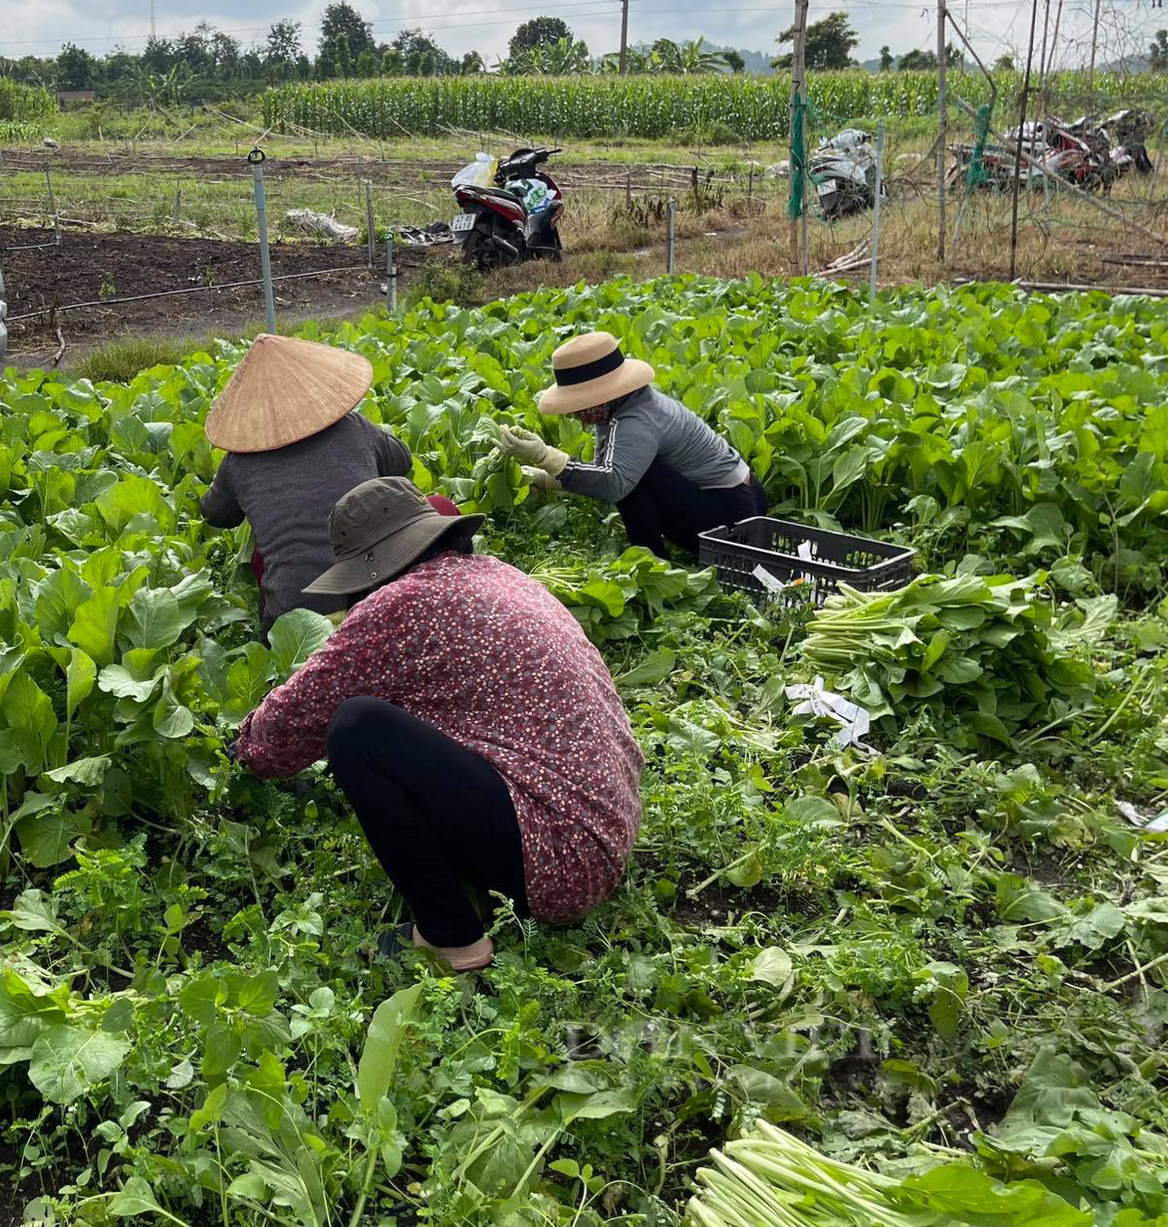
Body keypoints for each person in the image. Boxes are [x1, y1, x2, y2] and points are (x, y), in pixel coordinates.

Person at [233, 477, 642, 972]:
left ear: (371, 568)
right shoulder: (497, 574)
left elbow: (277, 739)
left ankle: (453, 939)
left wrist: (238, 743)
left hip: (558, 857)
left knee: (358, 727)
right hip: (603, 830)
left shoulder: (400, 605)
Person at [201, 334, 413, 635]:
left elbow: (215, 514)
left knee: (263, 554)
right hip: (374, 600)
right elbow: (402, 461)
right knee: (434, 508)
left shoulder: (239, 461)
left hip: (293, 621)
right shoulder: (353, 427)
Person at [496, 331, 767, 560]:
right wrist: (545, 479)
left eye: (577, 403)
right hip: (743, 502)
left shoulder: (635, 420)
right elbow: (604, 471)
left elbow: (613, 483)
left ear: (600, 394)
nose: (572, 412)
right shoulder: (630, 404)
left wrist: (545, 456)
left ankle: (652, 565)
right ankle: (652, 561)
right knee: (630, 474)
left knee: (630, 482)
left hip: (731, 522)